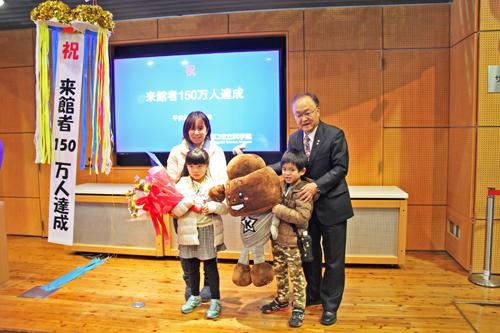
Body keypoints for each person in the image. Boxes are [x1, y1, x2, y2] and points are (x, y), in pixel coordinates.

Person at [271, 92, 353, 326]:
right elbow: (287, 164)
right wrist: (264, 170)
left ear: (318, 111)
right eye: (299, 114)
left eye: (308, 112)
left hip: (332, 206)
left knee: (334, 260)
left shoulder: (335, 134)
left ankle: (330, 305)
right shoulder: (295, 139)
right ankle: (314, 295)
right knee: (309, 256)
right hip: (304, 212)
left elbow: (340, 168)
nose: (303, 118)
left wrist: (317, 186)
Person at [166, 111, 228, 302]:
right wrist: (183, 191)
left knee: (210, 252)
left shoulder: (216, 151)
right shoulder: (177, 151)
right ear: (186, 130)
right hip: (184, 211)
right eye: (192, 128)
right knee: (186, 252)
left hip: (208, 211)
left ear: (207, 129)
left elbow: (222, 181)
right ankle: (190, 285)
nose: (196, 132)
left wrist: (210, 199)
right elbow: (169, 181)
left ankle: (209, 285)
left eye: (200, 128)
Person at [171, 148, 228, 319]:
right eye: (191, 166)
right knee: (191, 267)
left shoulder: (215, 184)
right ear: (187, 166)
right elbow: (174, 211)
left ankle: (216, 300)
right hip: (188, 232)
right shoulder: (181, 184)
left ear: (207, 166)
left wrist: (212, 207)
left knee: (210, 267)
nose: (195, 170)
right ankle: (194, 297)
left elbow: (225, 208)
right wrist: (188, 202)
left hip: (208, 230)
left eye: (199, 166)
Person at [261, 149, 313, 328]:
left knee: (297, 276)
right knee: (280, 273)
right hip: (277, 241)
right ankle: (281, 300)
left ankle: (298, 307)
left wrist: (278, 209)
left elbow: (302, 217)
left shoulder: (304, 191)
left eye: (292, 170)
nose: (287, 173)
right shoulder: (280, 185)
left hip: (293, 243)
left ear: (302, 171)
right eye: (284, 169)